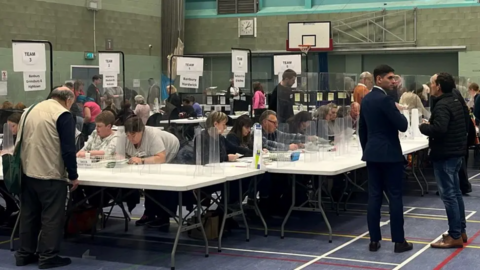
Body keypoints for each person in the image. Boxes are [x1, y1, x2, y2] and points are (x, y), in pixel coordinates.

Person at [15, 86, 78, 268]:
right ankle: (48, 257)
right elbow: (68, 149)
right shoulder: (62, 115)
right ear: (68, 101)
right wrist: (73, 175)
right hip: (50, 174)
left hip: (26, 172)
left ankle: (24, 254)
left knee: (28, 215)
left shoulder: (29, 110)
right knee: (51, 217)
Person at [358, 64, 412, 253]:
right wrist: (397, 109)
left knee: (374, 197)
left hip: (373, 154)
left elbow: (362, 130)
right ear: (378, 79)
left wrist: (368, 150)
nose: (394, 81)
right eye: (390, 78)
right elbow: (403, 125)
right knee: (395, 197)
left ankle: (374, 240)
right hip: (390, 155)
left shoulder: (366, 100)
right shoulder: (386, 100)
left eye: (394, 78)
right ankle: (398, 241)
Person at [419, 73, 468, 248]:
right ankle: (460, 230)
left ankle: (454, 235)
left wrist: (423, 126)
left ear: (438, 86)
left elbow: (439, 129)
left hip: (445, 155)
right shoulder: (455, 101)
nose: (430, 86)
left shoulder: (442, 105)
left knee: (449, 196)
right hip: (456, 153)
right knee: (455, 194)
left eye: (432, 83)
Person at [124, 117, 180, 227]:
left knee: (162, 181)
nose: (130, 138)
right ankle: (149, 213)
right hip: (151, 155)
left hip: (171, 151)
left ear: (142, 131)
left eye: (133, 135)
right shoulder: (126, 138)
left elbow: (161, 158)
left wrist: (141, 160)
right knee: (149, 181)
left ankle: (163, 216)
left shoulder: (153, 136)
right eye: (128, 135)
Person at [0, 113, 21, 226]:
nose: (10, 129)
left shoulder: (24, 137)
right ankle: (11, 204)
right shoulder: (8, 137)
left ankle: (12, 205)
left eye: (13, 126)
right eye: (8, 126)